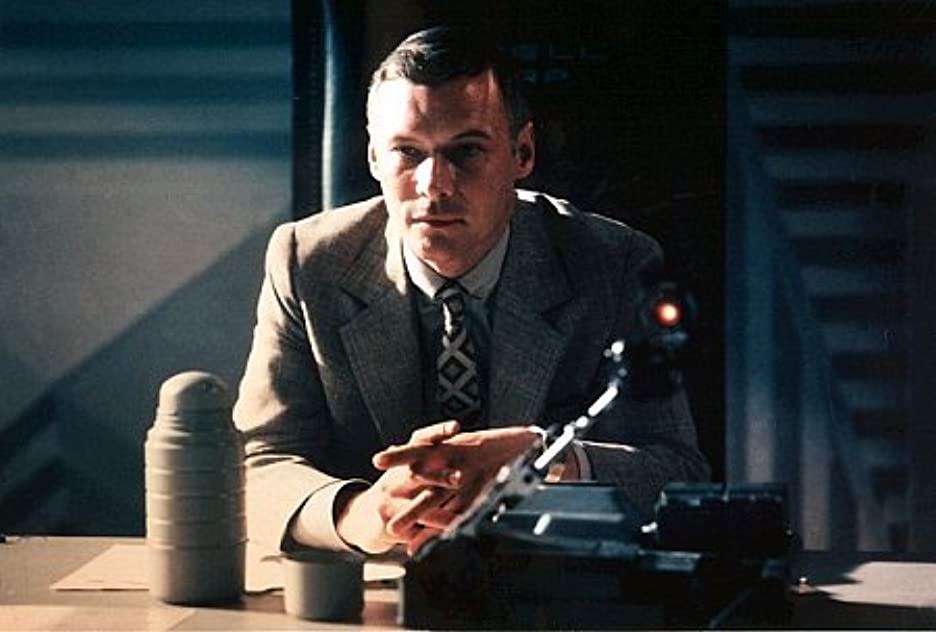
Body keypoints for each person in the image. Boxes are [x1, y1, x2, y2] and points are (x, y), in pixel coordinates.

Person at [233, 26, 709, 557]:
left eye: (466, 151)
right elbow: (259, 464)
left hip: (549, 583)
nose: (434, 185)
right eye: (407, 152)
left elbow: (676, 474)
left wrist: (546, 457)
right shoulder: (307, 262)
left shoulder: (613, 264)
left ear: (523, 152)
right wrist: (357, 514)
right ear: (373, 158)